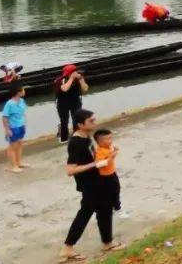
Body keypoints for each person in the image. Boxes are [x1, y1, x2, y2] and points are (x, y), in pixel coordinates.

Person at [60, 109, 124, 262]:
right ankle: (67, 248)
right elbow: (70, 170)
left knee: (105, 210)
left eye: (94, 120)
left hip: (98, 181)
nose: (95, 123)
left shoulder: (87, 136)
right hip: (89, 185)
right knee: (85, 214)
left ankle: (107, 243)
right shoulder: (75, 142)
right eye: (91, 121)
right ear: (80, 124)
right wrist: (95, 164)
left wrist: (108, 154)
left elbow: (93, 155)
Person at [93, 128, 127, 219]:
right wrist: (110, 157)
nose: (110, 141)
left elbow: (111, 158)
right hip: (105, 177)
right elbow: (98, 164)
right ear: (99, 142)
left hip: (112, 173)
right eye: (108, 139)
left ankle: (114, 207)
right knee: (108, 194)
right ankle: (116, 208)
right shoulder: (100, 151)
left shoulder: (108, 148)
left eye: (111, 138)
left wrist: (114, 152)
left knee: (116, 190)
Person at [55, 64, 89, 144]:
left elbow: (85, 89)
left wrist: (81, 80)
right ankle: (64, 138)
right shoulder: (60, 80)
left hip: (75, 101)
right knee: (64, 121)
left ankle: (76, 137)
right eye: (73, 72)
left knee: (76, 120)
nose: (76, 73)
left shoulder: (78, 79)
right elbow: (64, 89)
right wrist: (71, 78)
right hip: (62, 103)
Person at [2, 81, 29, 173]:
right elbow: (5, 117)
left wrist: (24, 125)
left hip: (21, 126)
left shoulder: (22, 101)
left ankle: (19, 163)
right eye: (23, 89)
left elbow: (23, 114)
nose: (24, 91)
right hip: (13, 128)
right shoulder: (9, 104)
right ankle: (13, 166)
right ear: (18, 92)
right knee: (12, 146)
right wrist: (7, 129)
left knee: (20, 144)